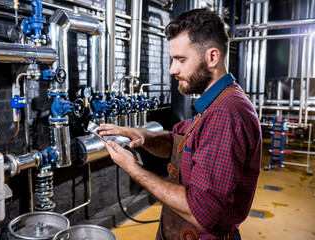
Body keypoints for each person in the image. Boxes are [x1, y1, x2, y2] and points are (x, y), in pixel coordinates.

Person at [99, 8, 262, 240]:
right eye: (172, 59)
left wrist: (134, 169)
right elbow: (178, 143)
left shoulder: (226, 112)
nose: (172, 70)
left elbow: (201, 212)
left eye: (181, 59)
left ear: (212, 57)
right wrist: (142, 136)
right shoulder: (214, 102)